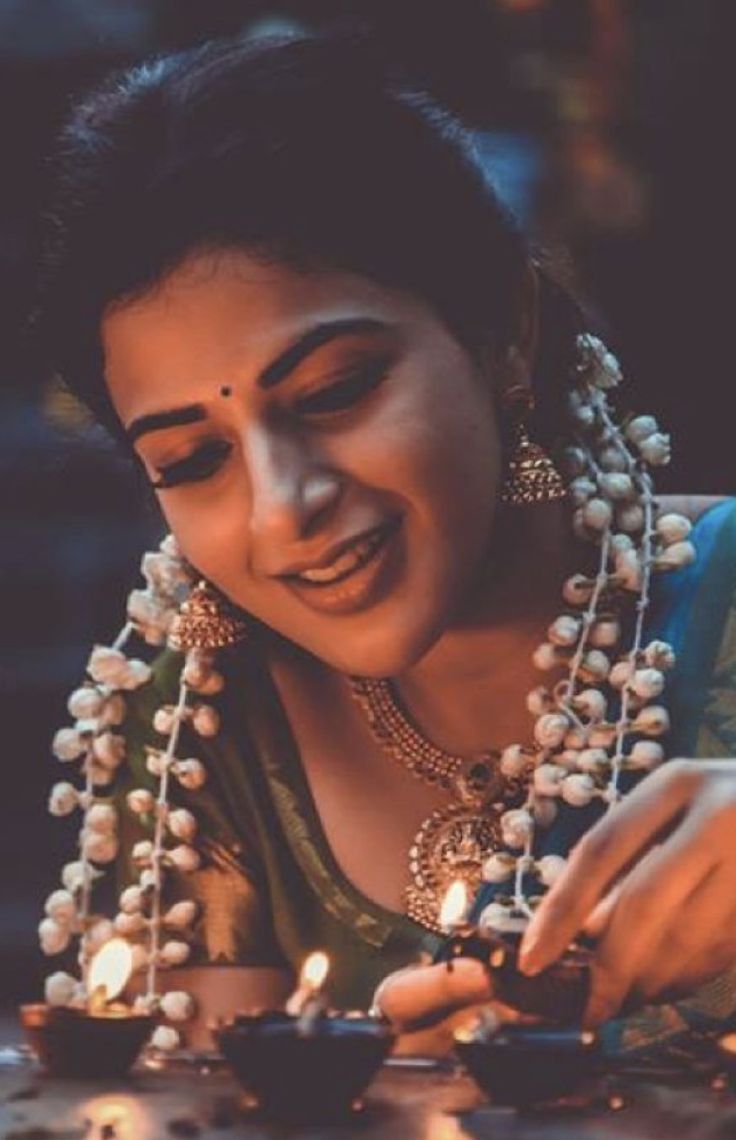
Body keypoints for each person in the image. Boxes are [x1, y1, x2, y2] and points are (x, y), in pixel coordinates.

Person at [36, 31, 736, 1057]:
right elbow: (197, 1117)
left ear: (505, 331)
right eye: (191, 461)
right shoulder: (199, 715)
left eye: (334, 391)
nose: (282, 509)